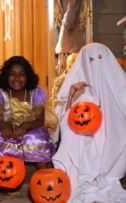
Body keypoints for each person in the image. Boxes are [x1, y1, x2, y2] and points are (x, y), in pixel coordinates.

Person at [0, 56, 58, 202]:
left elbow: (40, 120)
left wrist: (25, 126)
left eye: (22, 74)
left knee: (37, 139)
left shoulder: (36, 93)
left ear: (28, 76)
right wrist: (2, 125)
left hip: (31, 128)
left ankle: (44, 184)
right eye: (12, 73)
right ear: (5, 76)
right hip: (6, 128)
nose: (17, 78)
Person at [52, 43, 126, 203]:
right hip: (82, 134)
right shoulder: (77, 86)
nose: (96, 65)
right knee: (76, 137)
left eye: (100, 59)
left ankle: (106, 175)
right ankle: (83, 176)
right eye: (91, 60)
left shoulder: (118, 84)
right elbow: (64, 120)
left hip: (111, 135)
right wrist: (73, 98)